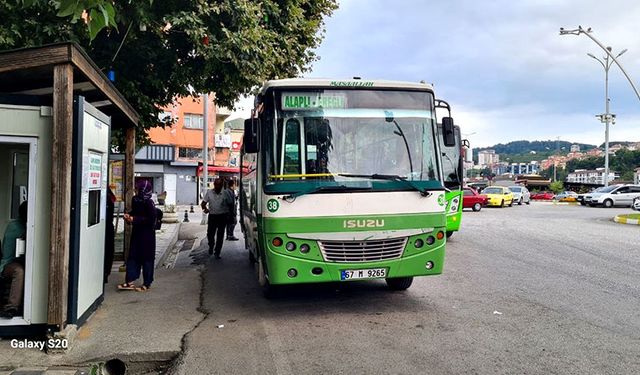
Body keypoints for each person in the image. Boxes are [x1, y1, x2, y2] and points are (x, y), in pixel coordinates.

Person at [118, 180, 157, 292]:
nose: (135, 191)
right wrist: (128, 216)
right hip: (137, 233)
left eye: (138, 189)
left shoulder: (149, 203)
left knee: (147, 259)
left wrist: (135, 219)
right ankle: (129, 281)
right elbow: (134, 212)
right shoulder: (135, 200)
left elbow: (151, 220)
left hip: (147, 235)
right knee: (133, 256)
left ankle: (147, 283)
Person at [0, 201, 27, 318]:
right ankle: (11, 307)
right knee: (19, 271)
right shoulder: (14, 226)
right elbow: (11, 254)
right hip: (9, 264)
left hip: (21, 261)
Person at [201, 178, 233, 258]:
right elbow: (203, 203)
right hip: (212, 216)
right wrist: (205, 209)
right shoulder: (209, 193)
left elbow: (231, 204)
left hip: (222, 216)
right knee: (210, 234)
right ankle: (211, 246)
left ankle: (217, 252)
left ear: (222, 185)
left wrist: (231, 215)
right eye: (216, 185)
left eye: (219, 185)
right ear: (214, 185)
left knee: (220, 235)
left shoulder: (226, 193)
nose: (217, 186)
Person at [103, 188, 116, 284]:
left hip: (105, 226)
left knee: (106, 250)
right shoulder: (109, 195)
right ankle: (106, 273)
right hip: (108, 226)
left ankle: (105, 273)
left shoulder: (105, 196)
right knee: (108, 250)